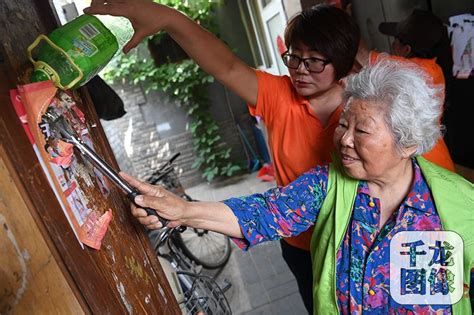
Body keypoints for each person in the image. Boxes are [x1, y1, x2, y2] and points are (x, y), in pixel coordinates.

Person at [121, 60, 473, 314]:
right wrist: (183, 211)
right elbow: (263, 213)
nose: (344, 140)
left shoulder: (459, 202)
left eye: (361, 130)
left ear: (407, 142)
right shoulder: (327, 185)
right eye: (343, 125)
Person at [85, 2, 360, 311]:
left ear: (343, 64)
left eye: (314, 62)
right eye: (294, 57)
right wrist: (169, 19)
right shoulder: (280, 95)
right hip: (300, 245)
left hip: (354, 241)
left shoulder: (366, 110)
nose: (299, 70)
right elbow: (226, 66)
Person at [356, 9, 456, 172]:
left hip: (424, 164)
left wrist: (342, 20)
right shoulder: (434, 68)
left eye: (395, 39)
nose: (392, 44)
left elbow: (362, 55)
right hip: (438, 159)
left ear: (406, 49)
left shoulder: (410, 69)